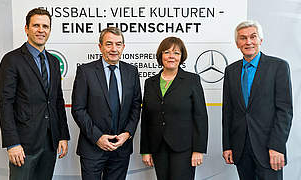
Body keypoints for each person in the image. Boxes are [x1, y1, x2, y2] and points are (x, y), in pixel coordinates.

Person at [0, 8, 70, 180]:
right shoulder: (12, 60)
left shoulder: (53, 61)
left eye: (45, 26)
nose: (41, 30)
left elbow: (57, 100)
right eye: (36, 25)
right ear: (26, 29)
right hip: (24, 144)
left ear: (50, 30)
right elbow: (5, 103)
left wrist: (62, 135)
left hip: (50, 141)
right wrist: (12, 143)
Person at [222, 20, 293, 180]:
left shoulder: (278, 66)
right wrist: (227, 146)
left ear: (260, 40)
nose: (248, 42)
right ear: (237, 43)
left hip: (269, 148)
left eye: (253, 37)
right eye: (243, 38)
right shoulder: (231, 71)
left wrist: (277, 146)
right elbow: (228, 111)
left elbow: (285, 111)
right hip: (240, 148)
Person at [71, 27, 142, 180]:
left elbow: (136, 106)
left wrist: (128, 134)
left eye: (118, 44)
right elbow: (78, 109)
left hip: (121, 148)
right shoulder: (85, 71)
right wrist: (98, 137)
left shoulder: (132, 72)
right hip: (92, 147)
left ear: (123, 47)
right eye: (109, 44)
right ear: (100, 47)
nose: (114, 49)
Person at [140, 37, 208, 180]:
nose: (171, 56)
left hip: (184, 149)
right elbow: (146, 118)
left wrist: (198, 150)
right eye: (167, 52)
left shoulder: (192, 80)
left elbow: (200, 117)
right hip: (158, 148)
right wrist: (145, 150)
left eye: (176, 53)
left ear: (182, 57)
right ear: (161, 56)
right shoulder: (150, 83)